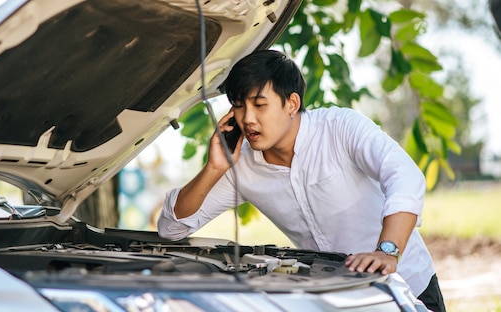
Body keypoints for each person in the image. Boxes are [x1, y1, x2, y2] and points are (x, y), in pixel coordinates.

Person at [157, 49, 446, 312]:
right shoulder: (240, 164)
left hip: (407, 285)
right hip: (338, 298)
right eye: (239, 106)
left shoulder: (341, 128)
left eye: (259, 105)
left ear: (292, 103)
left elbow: (404, 175)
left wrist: (388, 251)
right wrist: (213, 168)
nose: (248, 119)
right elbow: (172, 228)